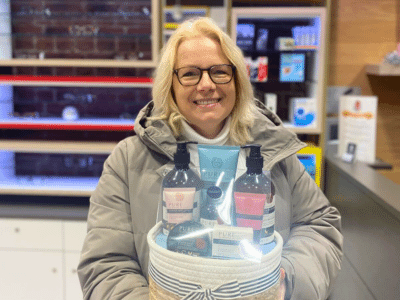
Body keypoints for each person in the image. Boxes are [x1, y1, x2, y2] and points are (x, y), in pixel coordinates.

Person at [78, 17, 343, 300]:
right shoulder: (129, 160)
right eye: (190, 73)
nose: (206, 85)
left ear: (237, 80)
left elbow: (320, 227)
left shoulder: (271, 150)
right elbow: (105, 265)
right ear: (170, 85)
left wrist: (284, 285)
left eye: (219, 71)